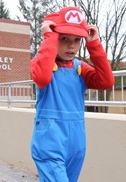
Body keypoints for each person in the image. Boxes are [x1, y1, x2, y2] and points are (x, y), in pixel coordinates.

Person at [30, 6, 114, 182]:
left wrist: (94, 44)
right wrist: (50, 37)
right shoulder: (40, 63)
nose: (71, 45)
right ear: (52, 37)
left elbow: (106, 81)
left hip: (76, 139)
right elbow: (43, 78)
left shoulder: (80, 67)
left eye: (77, 40)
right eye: (64, 38)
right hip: (50, 139)